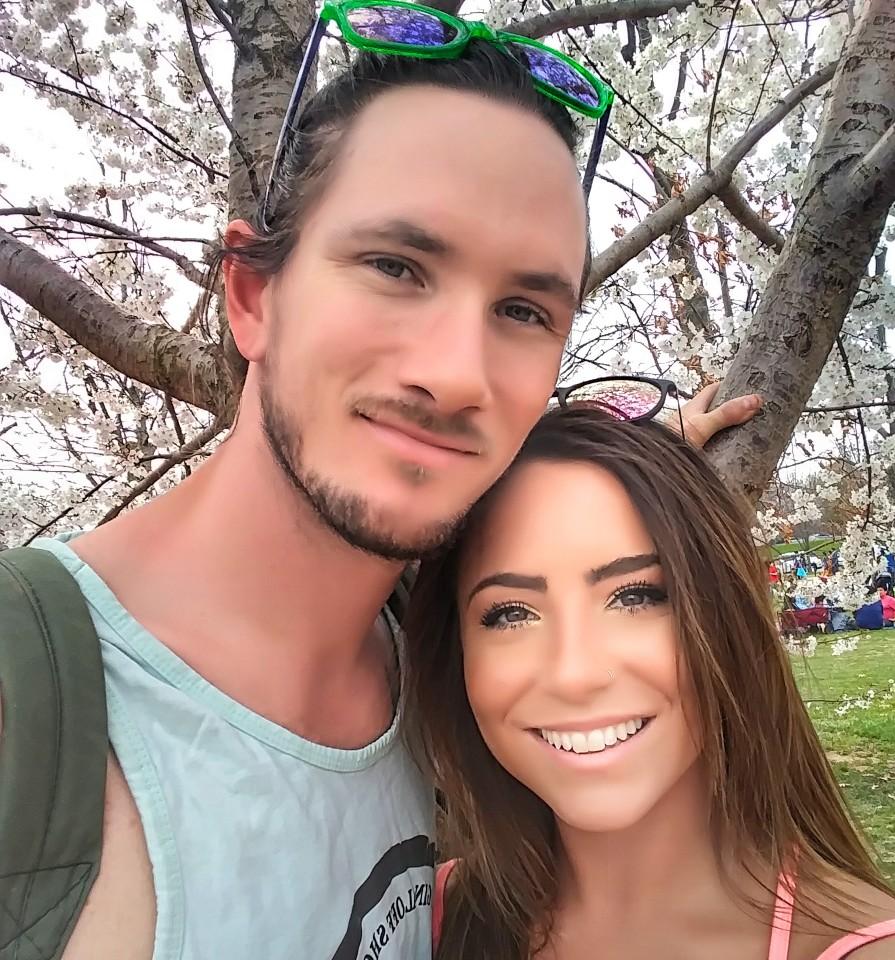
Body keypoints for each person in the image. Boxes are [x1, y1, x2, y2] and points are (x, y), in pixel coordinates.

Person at [1, 9, 760, 959]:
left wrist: (644, 461)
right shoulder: (32, 710)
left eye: (524, 311)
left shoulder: (460, 663)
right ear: (251, 296)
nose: (457, 376)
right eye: (396, 267)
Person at [404, 408, 895, 960]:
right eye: (510, 614)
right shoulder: (410, 922)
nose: (574, 674)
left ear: (727, 619)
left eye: (636, 596)